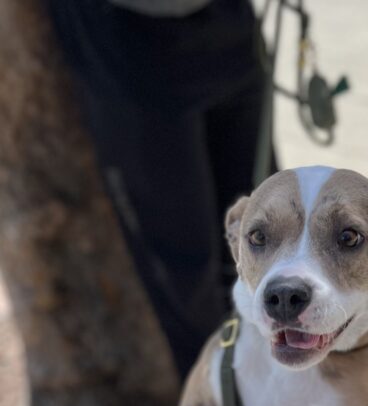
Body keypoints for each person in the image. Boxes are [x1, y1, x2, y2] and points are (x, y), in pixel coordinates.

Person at [47, 0, 276, 379]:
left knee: (272, 238)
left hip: (229, 28)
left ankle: (288, 393)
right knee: (186, 270)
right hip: (126, 38)